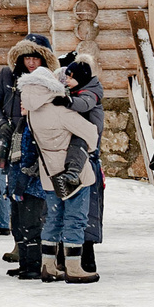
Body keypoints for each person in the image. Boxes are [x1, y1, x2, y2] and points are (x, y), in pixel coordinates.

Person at [23, 64, 100, 283]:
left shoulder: (32, 113)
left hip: (49, 173)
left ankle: (48, 265)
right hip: (72, 172)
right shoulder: (60, 111)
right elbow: (91, 134)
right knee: (75, 219)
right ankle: (74, 268)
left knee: (53, 219)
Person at [0, 38, 54, 274]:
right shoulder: (8, 76)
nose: (30, 62)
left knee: (33, 206)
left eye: (35, 58)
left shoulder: (49, 80)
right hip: (14, 144)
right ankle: (24, 255)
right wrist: (0, 124)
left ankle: (35, 260)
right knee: (17, 204)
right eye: (26, 58)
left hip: (37, 146)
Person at [65, 55, 109, 278]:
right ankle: (76, 256)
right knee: (79, 209)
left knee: (87, 211)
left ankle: (87, 258)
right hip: (80, 157)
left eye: (70, 77)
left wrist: (65, 102)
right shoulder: (78, 92)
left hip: (88, 159)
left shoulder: (89, 94)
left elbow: (84, 106)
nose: (67, 80)